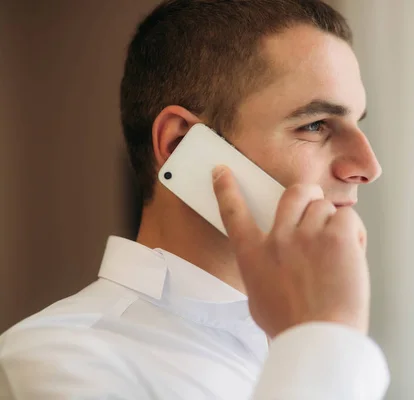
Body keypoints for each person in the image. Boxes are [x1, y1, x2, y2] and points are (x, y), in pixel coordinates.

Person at [0, 0, 390, 398]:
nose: (369, 166)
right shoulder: (55, 362)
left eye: (356, 124)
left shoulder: (299, 341)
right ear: (180, 144)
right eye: (315, 124)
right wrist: (324, 340)